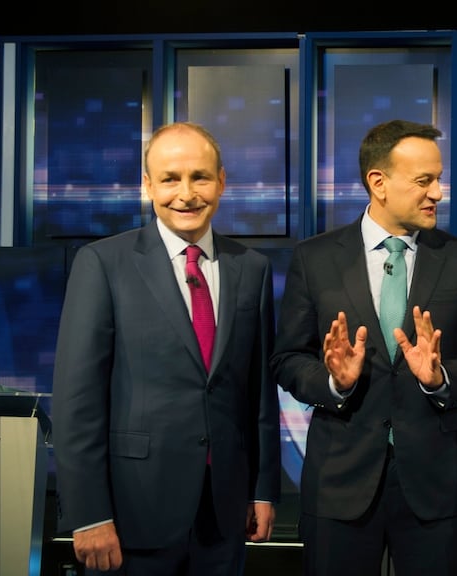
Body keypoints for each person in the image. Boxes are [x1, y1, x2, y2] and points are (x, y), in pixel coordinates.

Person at [270, 119, 457, 576]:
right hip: (339, 481)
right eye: (424, 181)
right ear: (378, 183)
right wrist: (333, 382)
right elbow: (287, 360)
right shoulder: (315, 258)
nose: (437, 193)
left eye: (438, 179)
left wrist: (440, 380)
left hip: (437, 485)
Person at [52, 121, 281, 575]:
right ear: (148, 185)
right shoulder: (102, 264)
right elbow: (77, 401)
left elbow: (258, 395)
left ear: (221, 181)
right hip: (131, 513)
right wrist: (88, 514)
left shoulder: (251, 269)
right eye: (171, 178)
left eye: (199, 177)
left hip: (224, 513)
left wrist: (263, 489)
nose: (186, 193)